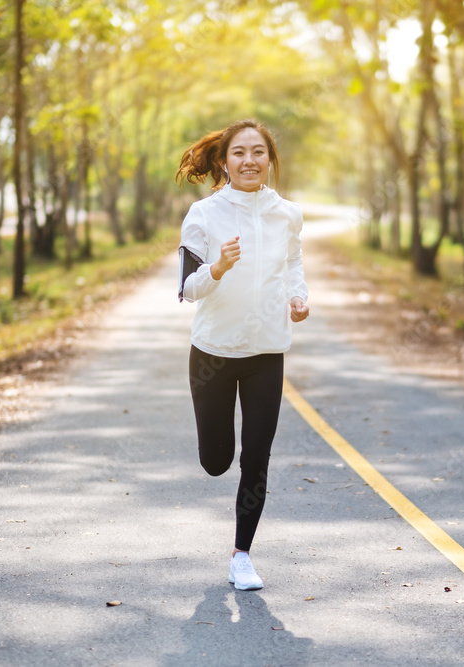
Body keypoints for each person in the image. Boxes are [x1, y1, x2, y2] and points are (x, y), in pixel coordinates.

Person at [176, 119, 309, 591]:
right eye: (239, 153)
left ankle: (242, 556)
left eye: (258, 152)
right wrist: (218, 267)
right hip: (213, 351)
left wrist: (298, 297)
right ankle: (217, 455)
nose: (249, 160)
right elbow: (188, 289)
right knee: (218, 460)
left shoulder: (287, 213)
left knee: (256, 456)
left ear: (270, 159)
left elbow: (293, 262)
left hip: (267, 352)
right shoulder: (204, 214)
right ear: (224, 161)